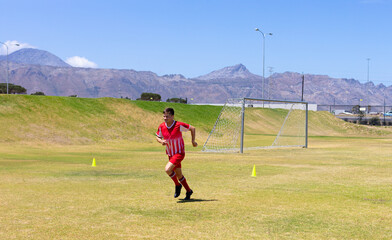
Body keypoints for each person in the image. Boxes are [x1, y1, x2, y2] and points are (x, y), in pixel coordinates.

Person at [156, 107, 197, 200]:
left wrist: (193, 141)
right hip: (170, 154)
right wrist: (161, 141)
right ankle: (189, 190)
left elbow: (192, 128)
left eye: (167, 116)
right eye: (164, 116)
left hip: (179, 153)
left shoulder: (178, 125)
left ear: (172, 116)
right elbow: (158, 136)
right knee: (179, 175)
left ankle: (177, 185)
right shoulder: (162, 126)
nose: (165, 118)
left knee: (167, 169)